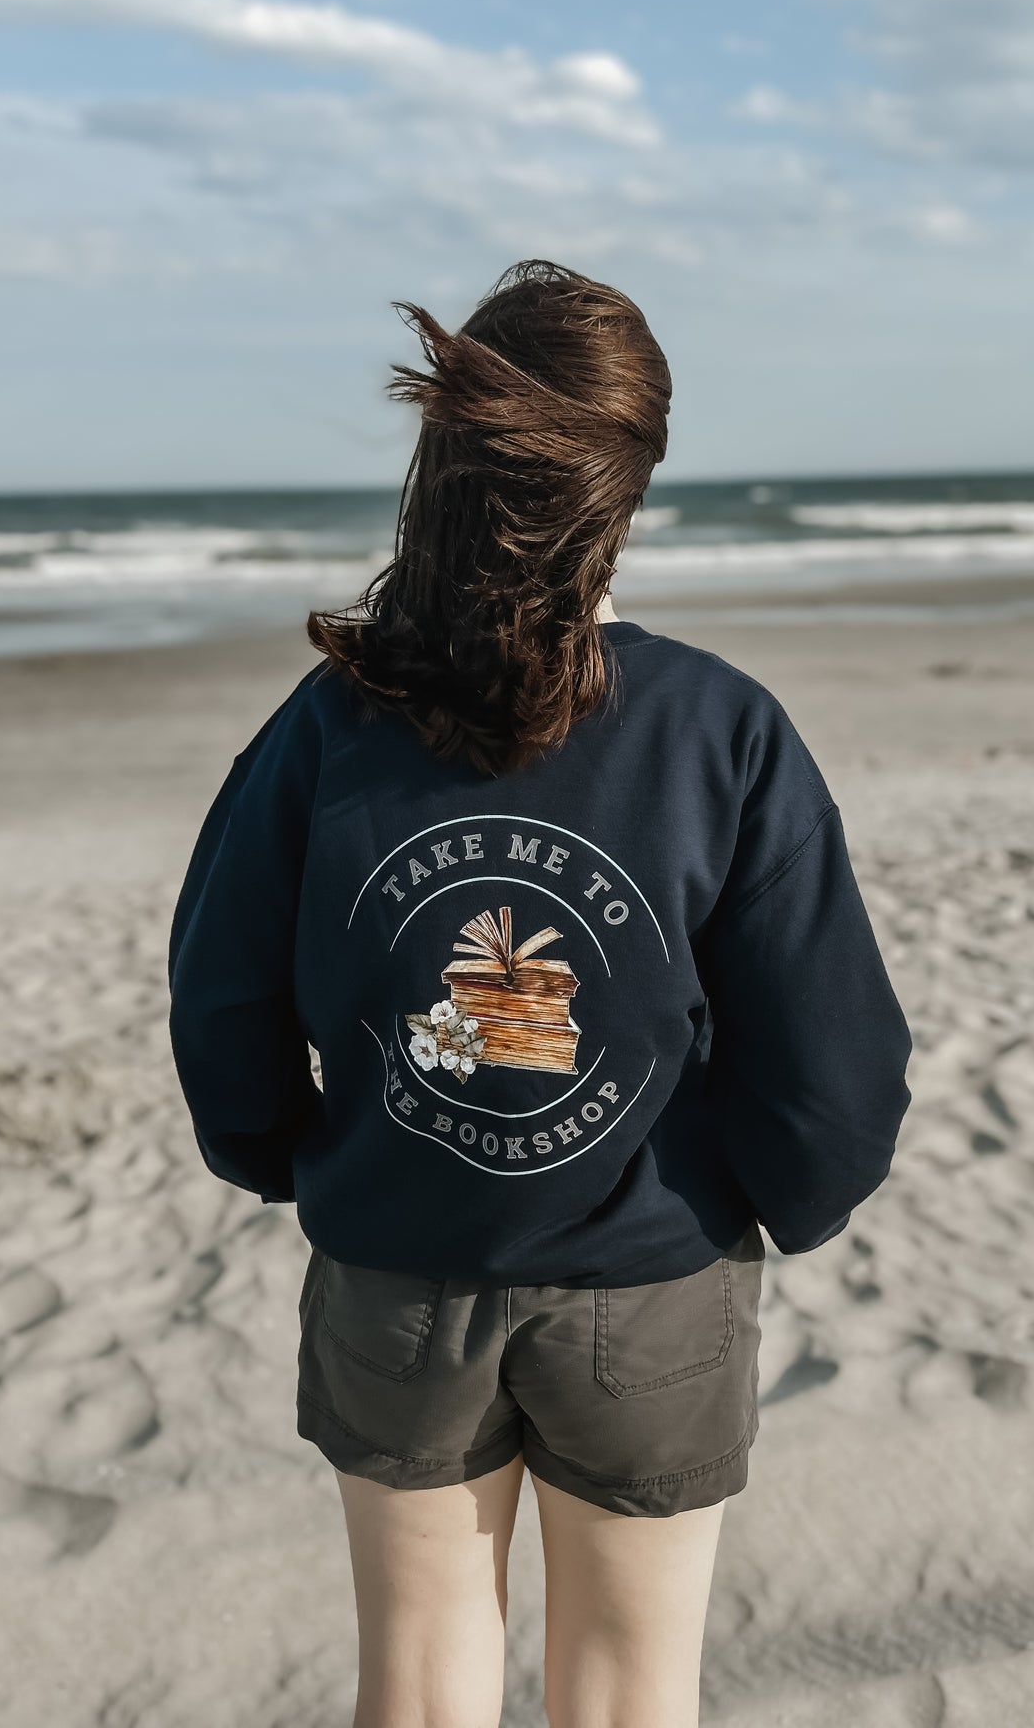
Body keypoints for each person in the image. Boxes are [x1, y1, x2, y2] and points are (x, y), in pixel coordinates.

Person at [167, 259, 912, 1728]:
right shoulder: (717, 728)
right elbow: (834, 1068)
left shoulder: (330, 727)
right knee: (634, 1691)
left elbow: (220, 993)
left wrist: (282, 1152)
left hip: (398, 1267)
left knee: (423, 1678)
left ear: (442, 461)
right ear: (627, 484)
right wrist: (774, 1198)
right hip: (651, 1278)